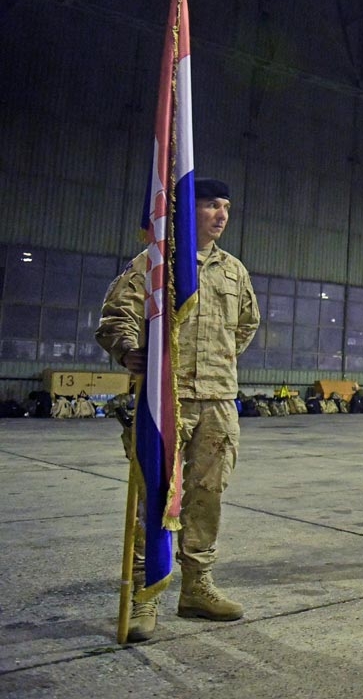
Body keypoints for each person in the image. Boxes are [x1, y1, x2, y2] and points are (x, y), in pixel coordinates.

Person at [96, 178, 261, 642]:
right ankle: (145, 595)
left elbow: (247, 324)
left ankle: (196, 586)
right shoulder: (155, 261)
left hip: (217, 400)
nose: (221, 214)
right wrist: (129, 349)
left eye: (226, 206)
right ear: (189, 210)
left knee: (208, 493)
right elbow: (116, 315)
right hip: (165, 396)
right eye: (211, 205)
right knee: (153, 495)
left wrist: (217, 361)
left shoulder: (234, 270)